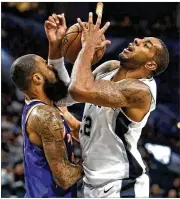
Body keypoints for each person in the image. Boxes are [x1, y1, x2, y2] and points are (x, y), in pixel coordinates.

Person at [68, 12, 169, 197]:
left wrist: (88, 46)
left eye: (146, 45)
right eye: (141, 39)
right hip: (91, 185)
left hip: (123, 185)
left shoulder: (140, 91)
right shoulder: (109, 68)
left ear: (150, 65)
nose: (137, 39)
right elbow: (67, 98)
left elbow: (78, 89)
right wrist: (56, 51)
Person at [10, 13, 83, 198]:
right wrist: (97, 160)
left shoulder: (43, 107)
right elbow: (65, 178)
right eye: (45, 64)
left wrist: (55, 45)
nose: (50, 66)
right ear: (36, 78)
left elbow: (62, 92)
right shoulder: (45, 116)